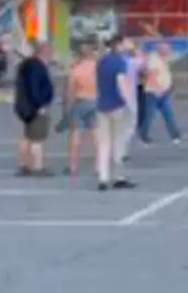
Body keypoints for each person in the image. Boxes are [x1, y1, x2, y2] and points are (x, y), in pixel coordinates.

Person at [94, 35, 136, 191]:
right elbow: (121, 82)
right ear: (118, 45)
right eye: (125, 43)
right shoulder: (120, 62)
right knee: (119, 142)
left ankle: (103, 177)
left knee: (103, 143)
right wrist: (129, 102)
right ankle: (119, 176)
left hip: (102, 105)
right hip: (117, 105)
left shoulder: (102, 61)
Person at [15, 42, 55, 176]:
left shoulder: (27, 65)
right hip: (35, 107)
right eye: (49, 51)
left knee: (27, 136)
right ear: (43, 51)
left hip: (25, 107)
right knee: (38, 138)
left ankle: (24, 165)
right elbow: (35, 88)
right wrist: (41, 105)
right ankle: (38, 167)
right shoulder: (37, 67)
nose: (51, 54)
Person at [62, 43, 99, 175]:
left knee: (76, 134)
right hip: (95, 101)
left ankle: (73, 166)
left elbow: (69, 91)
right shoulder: (97, 68)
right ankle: (99, 166)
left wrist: (66, 107)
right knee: (96, 134)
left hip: (80, 101)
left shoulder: (76, 70)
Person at [139, 42, 181, 144]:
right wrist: (159, 88)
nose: (169, 51)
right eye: (167, 50)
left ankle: (175, 135)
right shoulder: (154, 60)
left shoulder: (164, 59)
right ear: (160, 50)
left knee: (168, 114)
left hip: (163, 91)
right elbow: (151, 76)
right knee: (150, 115)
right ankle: (144, 135)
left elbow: (175, 56)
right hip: (154, 92)